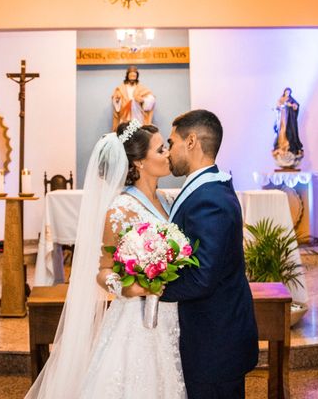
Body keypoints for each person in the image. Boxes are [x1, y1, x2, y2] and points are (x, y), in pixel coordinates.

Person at [25, 119, 186, 399]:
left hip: (173, 315)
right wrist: (128, 288)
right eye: (161, 150)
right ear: (139, 163)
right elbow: (103, 270)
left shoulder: (169, 201)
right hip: (136, 321)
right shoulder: (120, 209)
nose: (168, 154)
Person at [162, 109, 259, 399]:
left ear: (191, 141)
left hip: (215, 342)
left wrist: (151, 290)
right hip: (213, 335)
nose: (168, 152)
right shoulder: (208, 187)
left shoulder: (210, 199)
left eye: (171, 143)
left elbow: (203, 277)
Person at [112, 65, 156, 131]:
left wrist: (143, 100)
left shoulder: (141, 88)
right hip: (125, 115)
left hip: (137, 116)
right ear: (127, 76)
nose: (132, 78)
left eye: (134, 76)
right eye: (131, 76)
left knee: (137, 133)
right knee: (125, 132)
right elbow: (116, 101)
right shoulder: (121, 88)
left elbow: (152, 99)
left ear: (136, 77)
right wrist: (117, 99)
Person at [272, 87, 304, 168]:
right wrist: (280, 107)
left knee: (290, 132)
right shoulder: (281, 99)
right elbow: (277, 107)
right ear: (284, 92)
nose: (288, 93)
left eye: (289, 92)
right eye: (287, 92)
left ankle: (289, 147)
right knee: (281, 132)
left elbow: (296, 106)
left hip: (289, 120)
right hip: (282, 119)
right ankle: (282, 147)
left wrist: (292, 105)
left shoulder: (291, 99)